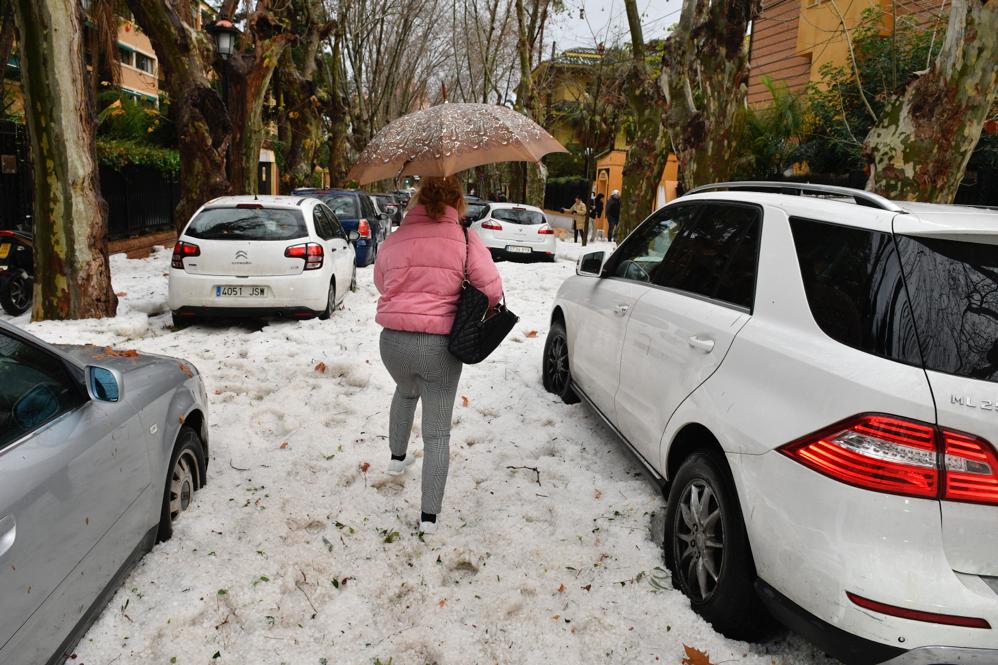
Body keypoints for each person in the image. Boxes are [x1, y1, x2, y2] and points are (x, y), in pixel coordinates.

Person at [374, 175, 503, 535]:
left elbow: (382, 283)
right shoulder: (464, 238)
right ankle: (429, 517)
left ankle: (397, 461)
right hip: (439, 347)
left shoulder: (397, 238)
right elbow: (491, 291)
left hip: (393, 344)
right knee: (437, 435)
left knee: (404, 390)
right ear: (457, 202)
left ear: (418, 199)